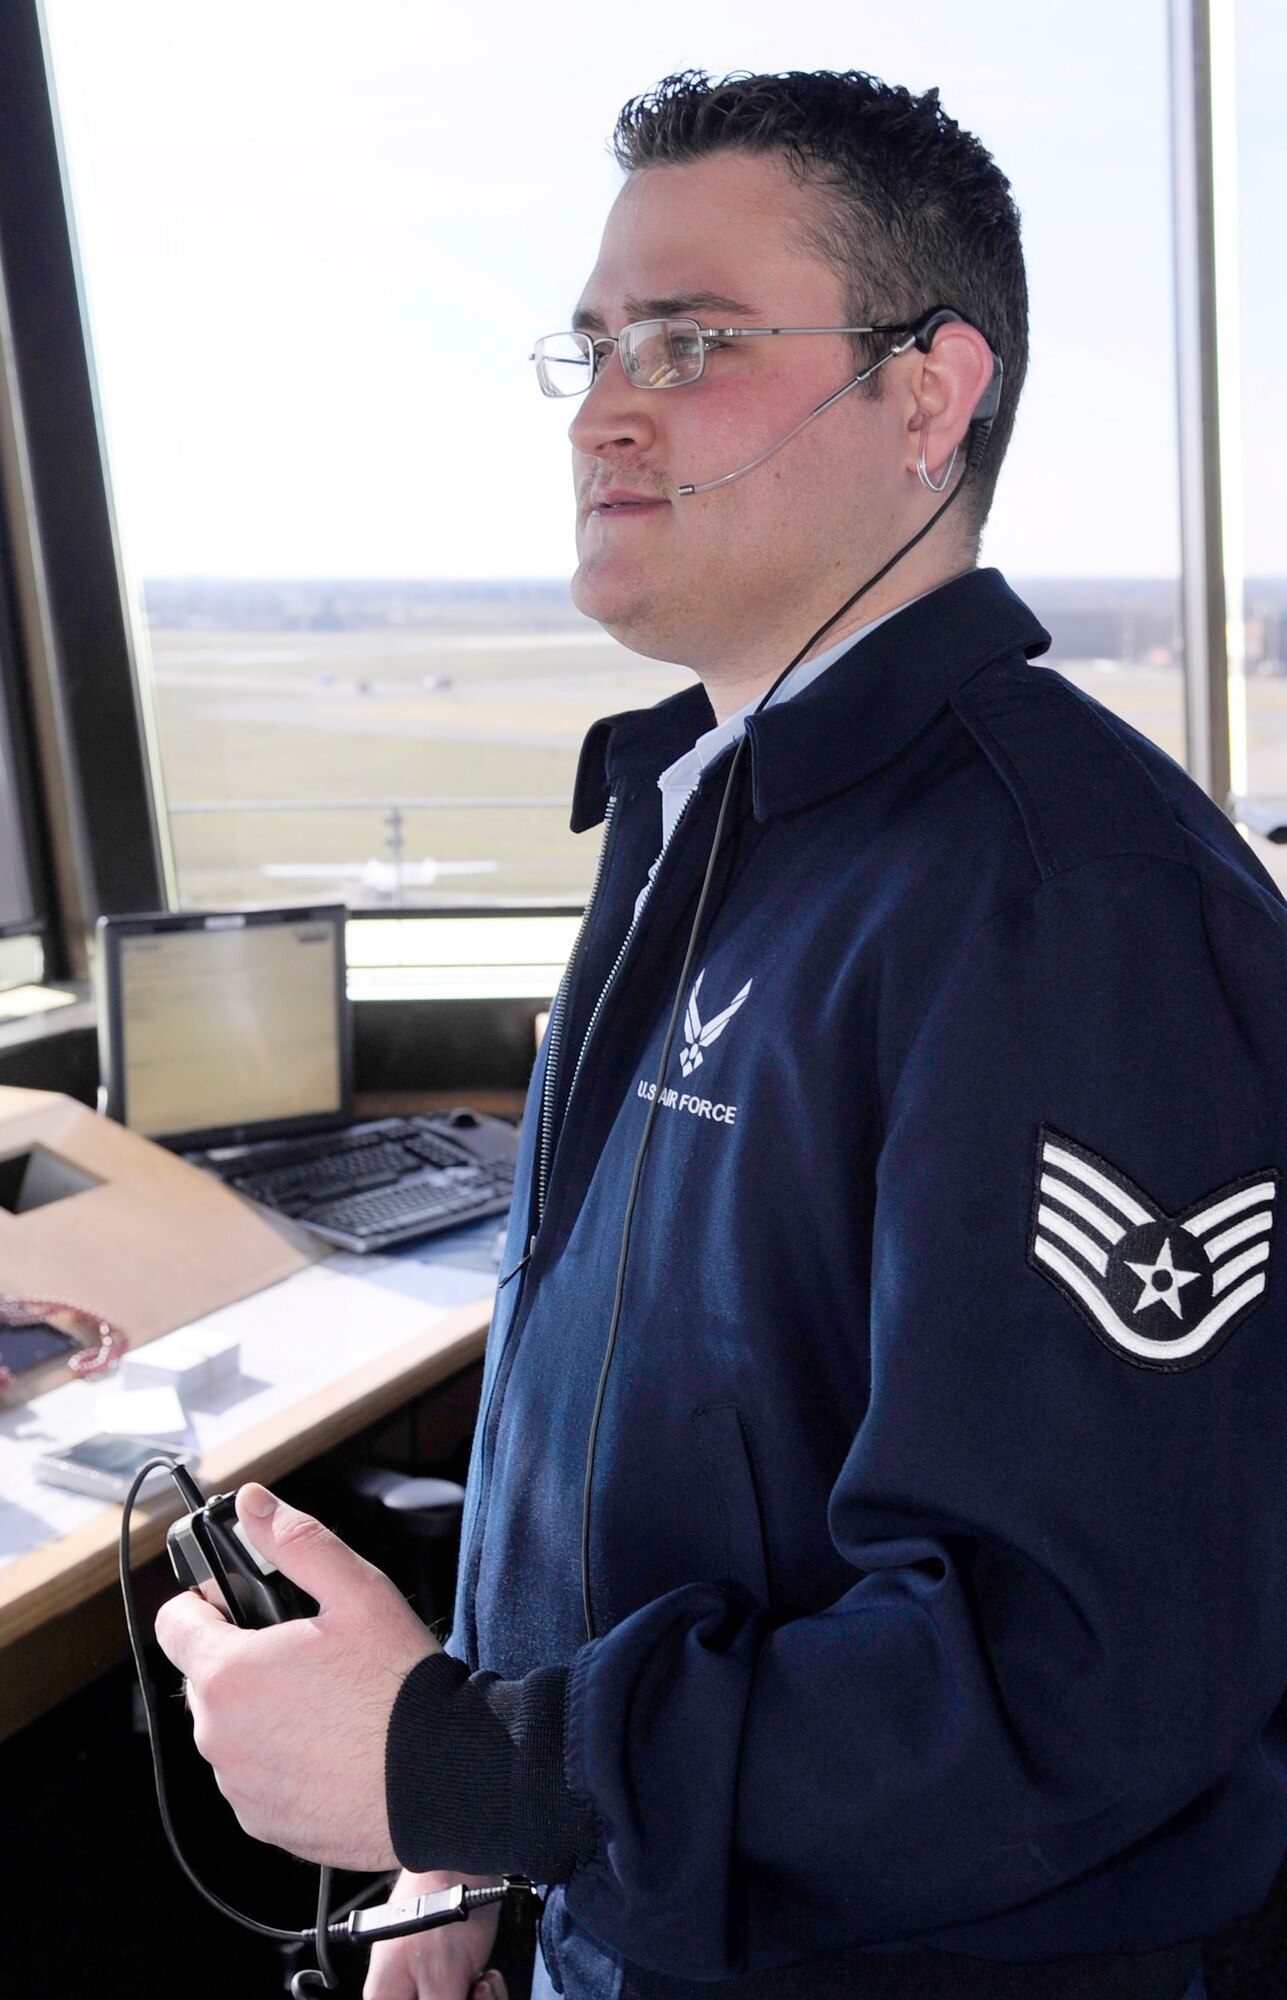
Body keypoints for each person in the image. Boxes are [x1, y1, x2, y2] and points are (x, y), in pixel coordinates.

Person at [154, 69, 1287, 2000]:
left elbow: (1077, 1679)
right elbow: (646, 1460)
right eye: (595, 345)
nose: (606, 405)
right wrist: (477, 1860)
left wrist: (468, 1773)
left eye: (692, 340)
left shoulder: (1066, 910)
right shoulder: (714, 819)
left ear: (928, 394)